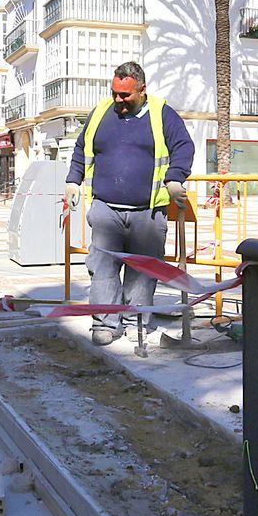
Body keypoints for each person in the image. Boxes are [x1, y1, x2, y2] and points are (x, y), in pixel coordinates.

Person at [64, 61, 195, 346]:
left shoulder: (162, 114)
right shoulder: (101, 112)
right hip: (105, 208)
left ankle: (137, 323)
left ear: (142, 89)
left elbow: (183, 146)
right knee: (102, 267)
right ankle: (106, 322)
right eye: (115, 93)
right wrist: (73, 179)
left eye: (125, 95)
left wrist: (175, 179)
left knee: (143, 270)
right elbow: (82, 147)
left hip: (147, 212)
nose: (119, 101)